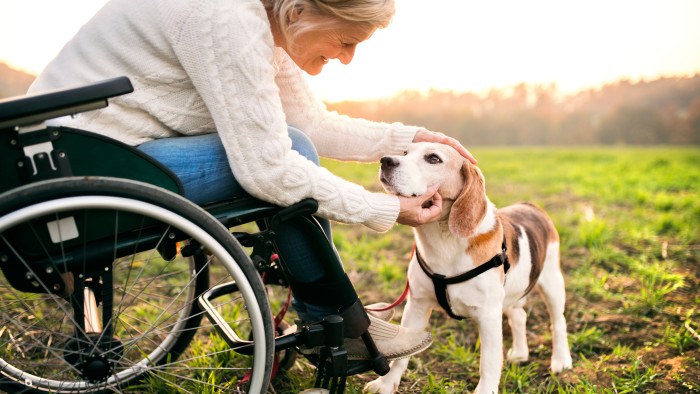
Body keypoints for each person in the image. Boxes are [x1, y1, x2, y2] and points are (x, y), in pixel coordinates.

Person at [29, 0, 476, 361]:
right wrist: (384, 209)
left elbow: (308, 121)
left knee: (294, 143)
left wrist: (406, 137)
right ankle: (334, 321)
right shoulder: (225, 17)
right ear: (300, 10)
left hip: (62, 155)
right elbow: (269, 167)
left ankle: (337, 315)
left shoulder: (263, 22)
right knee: (289, 155)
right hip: (81, 165)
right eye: (346, 41)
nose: (346, 57)